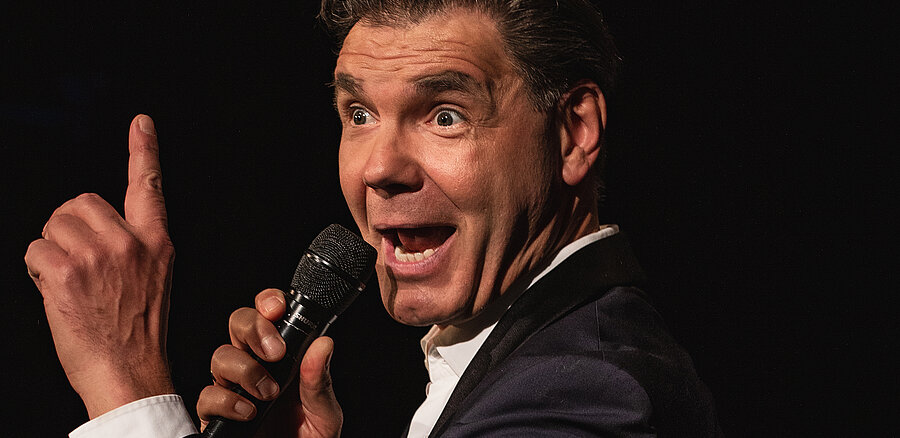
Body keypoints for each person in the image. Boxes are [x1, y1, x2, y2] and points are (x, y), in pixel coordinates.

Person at [25, 0, 721, 437]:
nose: (378, 168)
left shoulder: (586, 399)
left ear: (572, 133)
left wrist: (127, 388)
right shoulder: (534, 357)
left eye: (444, 115)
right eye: (359, 114)